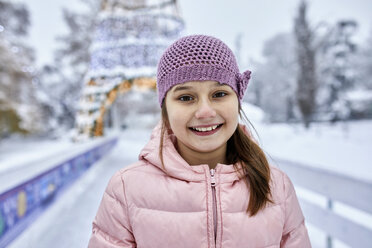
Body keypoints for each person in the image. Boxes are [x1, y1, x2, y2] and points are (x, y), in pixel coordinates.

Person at [88, 35, 311, 248]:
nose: (205, 111)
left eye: (219, 94)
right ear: (165, 109)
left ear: (238, 101)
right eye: (186, 98)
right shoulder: (126, 189)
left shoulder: (277, 186)